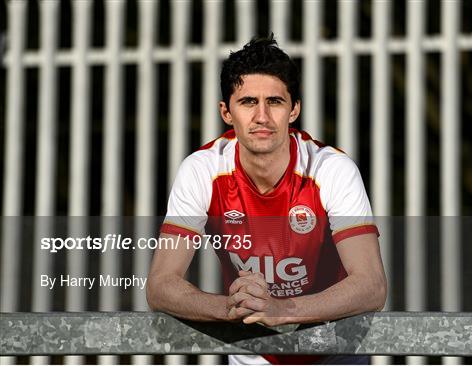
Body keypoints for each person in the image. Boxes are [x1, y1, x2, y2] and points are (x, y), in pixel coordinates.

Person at [147, 36, 387, 365]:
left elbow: (372, 286)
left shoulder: (331, 168)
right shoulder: (202, 169)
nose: (261, 116)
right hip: (253, 352)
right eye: (247, 102)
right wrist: (229, 308)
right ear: (226, 112)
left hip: (334, 351)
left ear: (294, 109)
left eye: (274, 101)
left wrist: (281, 309)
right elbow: (160, 286)